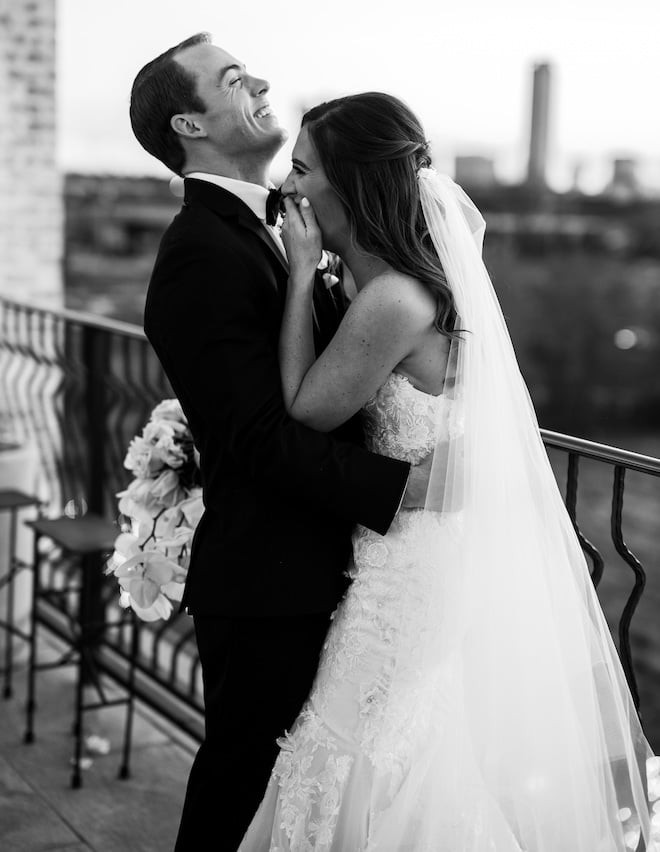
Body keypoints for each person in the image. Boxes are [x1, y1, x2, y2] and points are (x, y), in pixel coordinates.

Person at [237, 92, 656, 851]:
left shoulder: (393, 299)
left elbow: (306, 410)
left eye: (303, 169)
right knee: (398, 745)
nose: (290, 186)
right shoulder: (390, 283)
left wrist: (300, 275)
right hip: (413, 551)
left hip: (409, 574)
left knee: (363, 743)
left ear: (353, 183)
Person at [129, 35, 434, 852]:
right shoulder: (198, 253)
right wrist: (404, 491)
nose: (261, 82)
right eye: (234, 80)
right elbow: (262, 436)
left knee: (315, 799)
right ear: (190, 123)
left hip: (332, 573)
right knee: (239, 796)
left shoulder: (286, 230)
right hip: (270, 583)